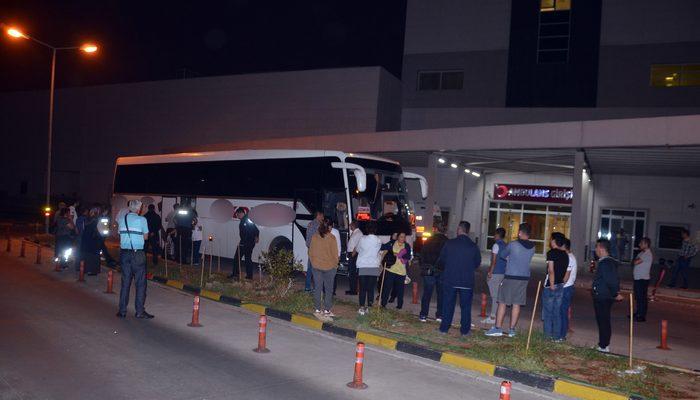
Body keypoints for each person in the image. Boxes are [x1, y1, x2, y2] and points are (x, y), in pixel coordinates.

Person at [486, 223, 536, 338]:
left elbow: (503, 255)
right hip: (524, 278)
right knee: (516, 304)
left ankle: (497, 328)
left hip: (511, 277)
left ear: (519, 232)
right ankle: (512, 330)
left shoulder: (513, 244)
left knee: (502, 302)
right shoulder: (533, 247)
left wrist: (511, 258)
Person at [438, 221, 481, 336]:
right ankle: (465, 331)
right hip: (466, 281)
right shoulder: (473, 246)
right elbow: (477, 263)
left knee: (448, 305)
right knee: (466, 307)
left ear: (459, 229)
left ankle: (444, 329)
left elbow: (442, 260)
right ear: (468, 230)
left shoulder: (450, 243)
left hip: (450, 279)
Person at [116, 199, 153, 319]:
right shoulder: (142, 219)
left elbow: (120, 234)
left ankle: (122, 311)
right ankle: (139, 312)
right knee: (140, 284)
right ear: (138, 209)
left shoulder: (122, 219)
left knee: (125, 283)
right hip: (137, 254)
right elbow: (146, 237)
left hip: (124, 254)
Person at [591, 239, 622, 353]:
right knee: (603, 321)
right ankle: (603, 344)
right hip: (603, 295)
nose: (595, 250)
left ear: (601, 248)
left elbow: (612, 280)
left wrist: (616, 293)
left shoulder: (606, 263)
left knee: (603, 321)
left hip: (603, 297)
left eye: (596, 247)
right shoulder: (607, 262)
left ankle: (604, 346)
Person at [308, 218, 339, 316]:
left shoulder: (314, 237)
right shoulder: (332, 238)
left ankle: (317, 309)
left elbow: (310, 252)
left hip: (316, 267)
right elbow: (335, 254)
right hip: (329, 267)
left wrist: (313, 262)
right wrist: (335, 265)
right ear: (329, 227)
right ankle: (326, 310)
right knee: (328, 289)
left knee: (317, 288)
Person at [419, 223, 448, 322]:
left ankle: (423, 315)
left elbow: (422, 254)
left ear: (435, 230)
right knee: (441, 294)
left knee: (427, 294)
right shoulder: (447, 242)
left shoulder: (428, 240)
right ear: (445, 231)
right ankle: (439, 315)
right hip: (442, 271)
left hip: (429, 270)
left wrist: (423, 266)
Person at [542, 232, 568, 341]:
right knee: (557, 313)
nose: (550, 241)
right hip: (561, 285)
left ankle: (547, 337)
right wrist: (560, 283)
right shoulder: (565, 254)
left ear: (555, 241)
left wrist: (551, 284)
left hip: (551, 286)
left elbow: (551, 270)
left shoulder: (551, 253)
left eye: (551, 239)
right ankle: (557, 337)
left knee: (548, 313)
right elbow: (565, 272)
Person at [380, 231, 412, 309]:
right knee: (386, 288)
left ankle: (399, 305)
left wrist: (399, 255)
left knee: (400, 290)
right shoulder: (392, 243)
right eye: (401, 236)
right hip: (390, 269)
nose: (403, 238)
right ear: (397, 237)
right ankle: (383, 304)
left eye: (404, 237)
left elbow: (408, 257)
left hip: (401, 271)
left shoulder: (407, 246)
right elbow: (382, 247)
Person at [355, 221, 381, 315]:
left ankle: (361, 308)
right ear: (375, 229)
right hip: (373, 266)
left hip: (363, 265)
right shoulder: (378, 240)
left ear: (367, 229)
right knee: (370, 289)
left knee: (362, 288)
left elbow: (357, 249)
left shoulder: (362, 239)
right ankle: (369, 307)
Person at [483, 227, 507, 324]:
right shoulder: (506, 245)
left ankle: (493, 317)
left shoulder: (496, 245)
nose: (493, 236)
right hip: (503, 273)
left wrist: (490, 272)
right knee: (497, 295)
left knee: (494, 296)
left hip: (496, 273)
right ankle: (496, 315)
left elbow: (493, 261)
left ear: (497, 235)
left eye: (495, 234)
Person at [232, 207, 259, 280]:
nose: (237, 216)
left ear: (241, 213)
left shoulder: (246, 220)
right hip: (248, 242)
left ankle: (235, 274)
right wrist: (256, 237)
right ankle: (249, 276)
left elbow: (251, 231)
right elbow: (256, 230)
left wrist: (243, 242)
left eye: (237, 214)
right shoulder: (247, 220)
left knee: (237, 258)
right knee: (247, 258)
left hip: (246, 243)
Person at [560, 238, 577, 340]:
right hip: (567, 287)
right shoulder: (569, 257)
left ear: (563, 246)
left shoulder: (569, 258)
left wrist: (559, 285)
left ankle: (562, 335)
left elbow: (566, 276)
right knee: (563, 311)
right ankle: (562, 333)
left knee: (563, 312)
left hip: (566, 287)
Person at [632, 237, 653, 322]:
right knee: (638, 297)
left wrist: (635, 260)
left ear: (646, 244)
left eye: (641, 243)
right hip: (638, 278)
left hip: (643, 279)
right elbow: (633, 261)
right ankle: (638, 313)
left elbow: (635, 262)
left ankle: (642, 316)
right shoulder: (641, 253)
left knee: (642, 298)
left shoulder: (647, 254)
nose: (639, 245)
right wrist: (635, 260)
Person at [80, 206, 103, 276]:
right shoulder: (97, 220)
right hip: (94, 239)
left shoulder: (87, 219)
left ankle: (86, 269)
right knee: (94, 255)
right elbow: (100, 231)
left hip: (86, 239)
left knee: (86, 254)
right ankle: (92, 270)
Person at [304, 211, 324, 291]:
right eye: (322, 216)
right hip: (316, 249)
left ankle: (307, 287)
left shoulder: (310, 224)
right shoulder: (318, 225)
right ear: (318, 215)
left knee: (310, 269)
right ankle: (316, 287)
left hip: (311, 248)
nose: (323, 217)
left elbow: (308, 238)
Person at [345, 221, 363, 295]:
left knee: (353, 273)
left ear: (354, 225)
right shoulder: (356, 232)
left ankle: (354, 290)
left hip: (354, 254)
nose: (349, 225)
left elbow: (358, 245)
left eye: (351, 224)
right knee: (351, 272)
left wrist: (352, 254)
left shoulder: (358, 233)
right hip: (352, 254)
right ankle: (352, 289)